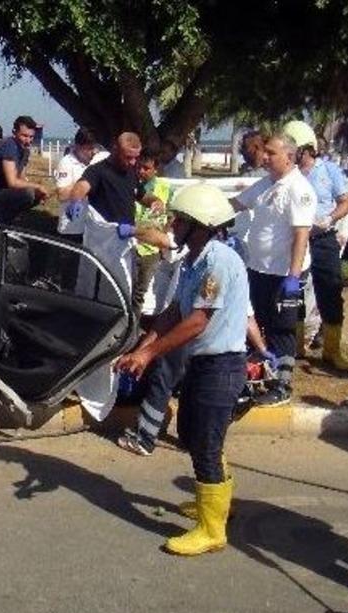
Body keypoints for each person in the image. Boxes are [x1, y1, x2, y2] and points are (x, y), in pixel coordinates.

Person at [115, 183, 250, 556]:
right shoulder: (193, 260)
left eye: (180, 219)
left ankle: (211, 529)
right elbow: (174, 312)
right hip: (201, 363)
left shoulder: (217, 260)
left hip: (221, 365)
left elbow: (196, 322)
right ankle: (220, 504)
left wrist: (150, 354)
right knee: (194, 435)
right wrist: (141, 349)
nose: (171, 224)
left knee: (205, 445)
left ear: (201, 225)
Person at [230, 133, 315, 407]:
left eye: (271, 153)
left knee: (283, 328)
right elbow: (236, 204)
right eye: (264, 152)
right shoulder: (266, 184)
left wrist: (293, 277)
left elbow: (301, 235)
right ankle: (260, 375)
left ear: (289, 157)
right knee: (259, 323)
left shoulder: (299, 189)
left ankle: (283, 384)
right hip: (259, 270)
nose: (264, 156)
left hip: (285, 275)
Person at [285, 120, 348, 370]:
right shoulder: (290, 174)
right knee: (295, 291)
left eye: (293, 149)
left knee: (330, 290)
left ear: (306, 149)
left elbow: (346, 202)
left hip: (323, 238)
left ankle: (332, 350)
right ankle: (296, 346)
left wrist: (330, 218)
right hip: (297, 239)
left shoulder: (329, 171)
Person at [0, 115, 48, 223]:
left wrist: (38, 191)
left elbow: (21, 179)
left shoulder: (25, 151)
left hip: (1, 194)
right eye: (24, 136)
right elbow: (12, 182)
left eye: (31, 137)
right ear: (14, 132)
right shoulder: (9, 145)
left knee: (35, 195)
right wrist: (38, 186)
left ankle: (5, 221)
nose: (28, 140)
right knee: (28, 194)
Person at [131, 148, 172, 314]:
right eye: (139, 167)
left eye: (146, 168)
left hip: (151, 249)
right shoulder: (130, 183)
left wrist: (164, 241)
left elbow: (171, 216)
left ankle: (133, 326)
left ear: (155, 169)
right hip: (130, 244)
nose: (141, 171)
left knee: (140, 292)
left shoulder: (165, 187)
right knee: (126, 288)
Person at [54, 127, 109, 201]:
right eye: (90, 148)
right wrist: (88, 182)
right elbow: (62, 195)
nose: (94, 152)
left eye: (95, 147)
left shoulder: (102, 157)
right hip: (76, 211)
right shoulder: (66, 162)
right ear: (78, 147)